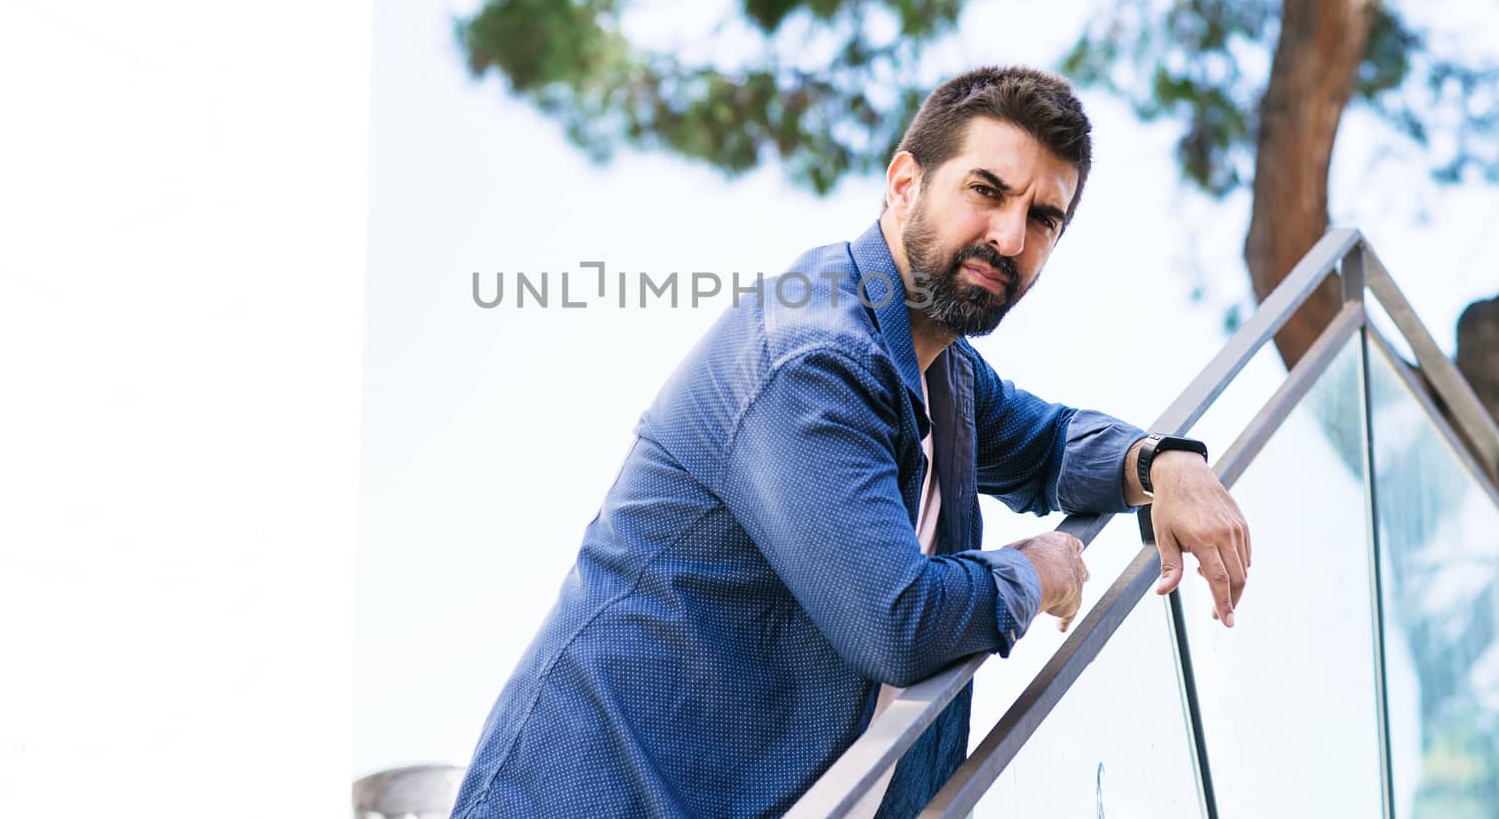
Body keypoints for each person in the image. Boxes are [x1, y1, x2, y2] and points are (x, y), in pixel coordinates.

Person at [449, 65, 1252, 819]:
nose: (1009, 236)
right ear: (904, 185)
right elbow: (895, 620)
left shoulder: (946, 374)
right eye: (986, 191)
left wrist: (1163, 462)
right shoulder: (813, 354)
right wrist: (1031, 571)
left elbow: (1048, 446)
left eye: (1043, 218)